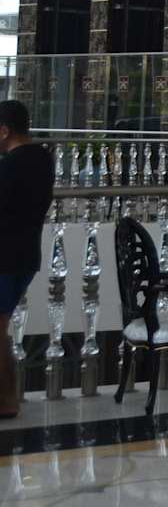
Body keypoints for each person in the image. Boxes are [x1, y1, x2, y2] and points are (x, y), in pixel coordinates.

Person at [0, 100, 52, 419]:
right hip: (25, 256)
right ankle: (7, 399)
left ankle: (7, 401)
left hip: (5, 258)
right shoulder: (42, 159)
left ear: (5, 131)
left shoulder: (11, 167)